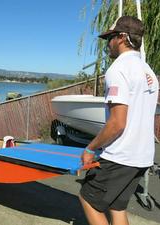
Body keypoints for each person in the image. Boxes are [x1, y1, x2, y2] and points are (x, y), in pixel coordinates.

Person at [79, 16, 159, 225]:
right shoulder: (148, 71)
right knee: (117, 207)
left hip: (120, 156)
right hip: (142, 156)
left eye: (110, 38)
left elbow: (117, 123)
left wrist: (90, 149)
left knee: (89, 200)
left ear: (122, 37)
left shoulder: (118, 69)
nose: (108, 44)